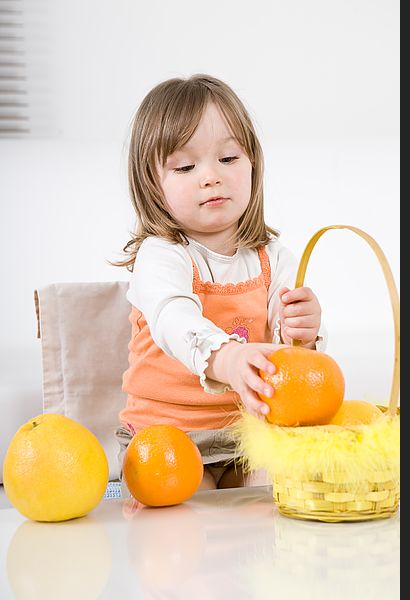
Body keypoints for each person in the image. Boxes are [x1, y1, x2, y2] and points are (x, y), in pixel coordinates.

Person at [114, 74, 327, 491]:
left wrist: (303, 332)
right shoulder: (161, 255)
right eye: (185, 166)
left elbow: (285, 360)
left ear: (252, 166)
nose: (210, 176)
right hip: (168, 437)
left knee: (274, 492)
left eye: (228, 159)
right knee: (187, 507)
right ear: (152, 185)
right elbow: (174, 319)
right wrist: (227, 359)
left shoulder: (274, 257)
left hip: (246, 435)